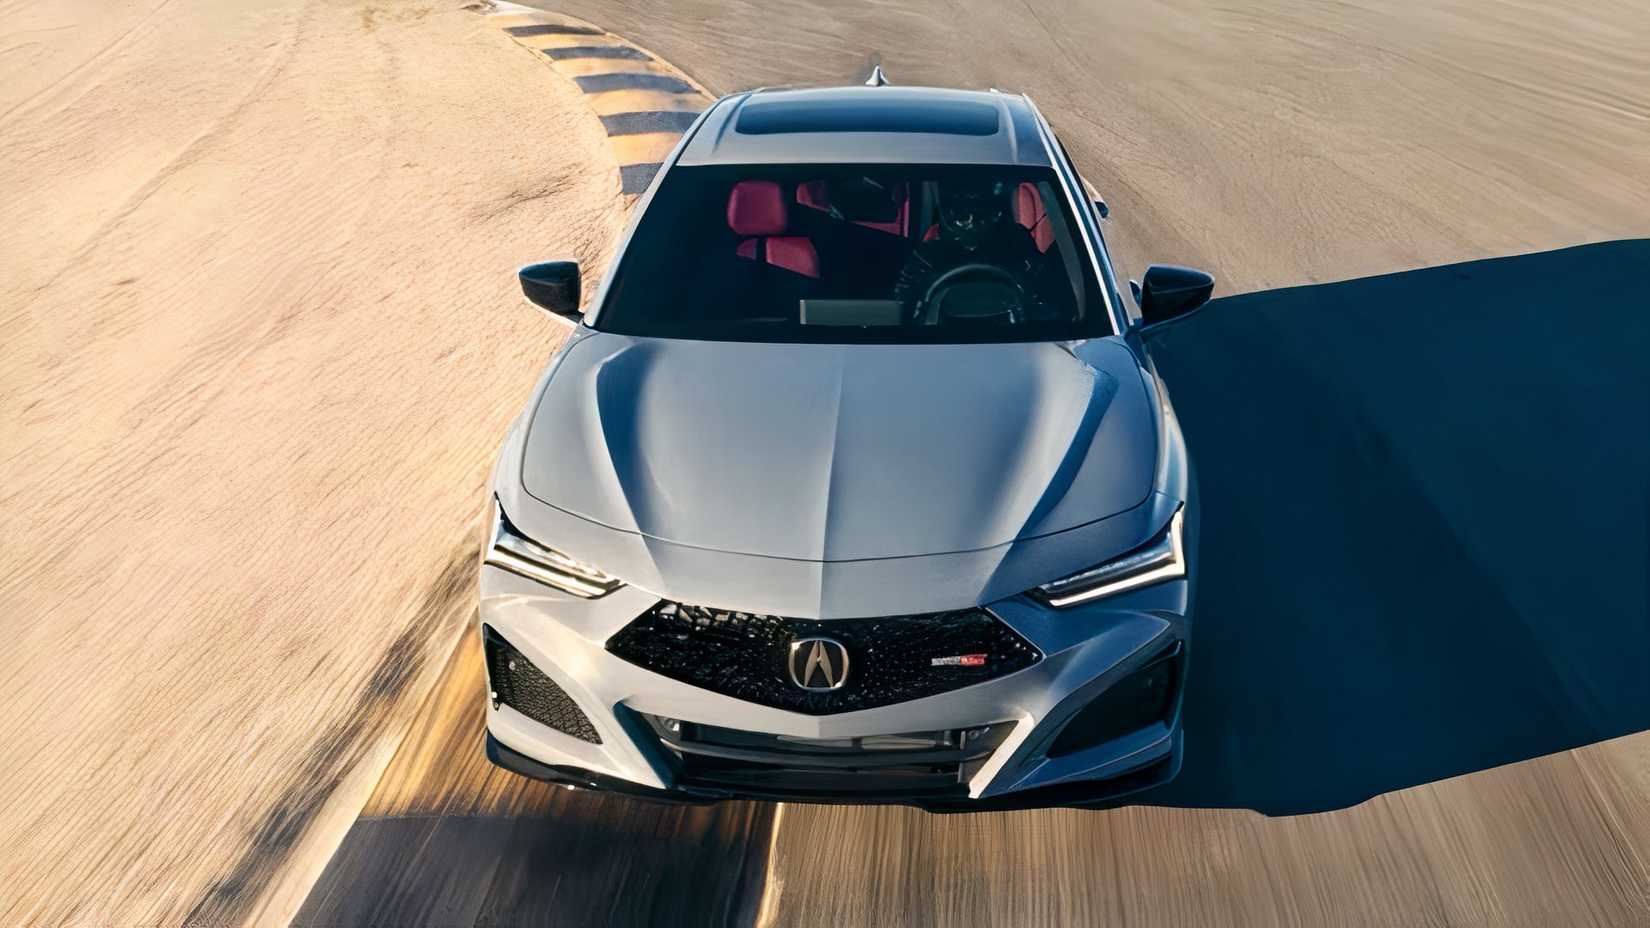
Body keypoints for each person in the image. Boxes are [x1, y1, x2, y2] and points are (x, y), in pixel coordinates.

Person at [893, 179, 1052, 321]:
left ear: (995, 213)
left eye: (980, 211)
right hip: (941, 335)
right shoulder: (928, 254)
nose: (971, 222)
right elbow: (904, 305)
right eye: (962, 214)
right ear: (948, 215)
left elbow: (1042, 291)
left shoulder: (1017, 243)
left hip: (1015, 331)